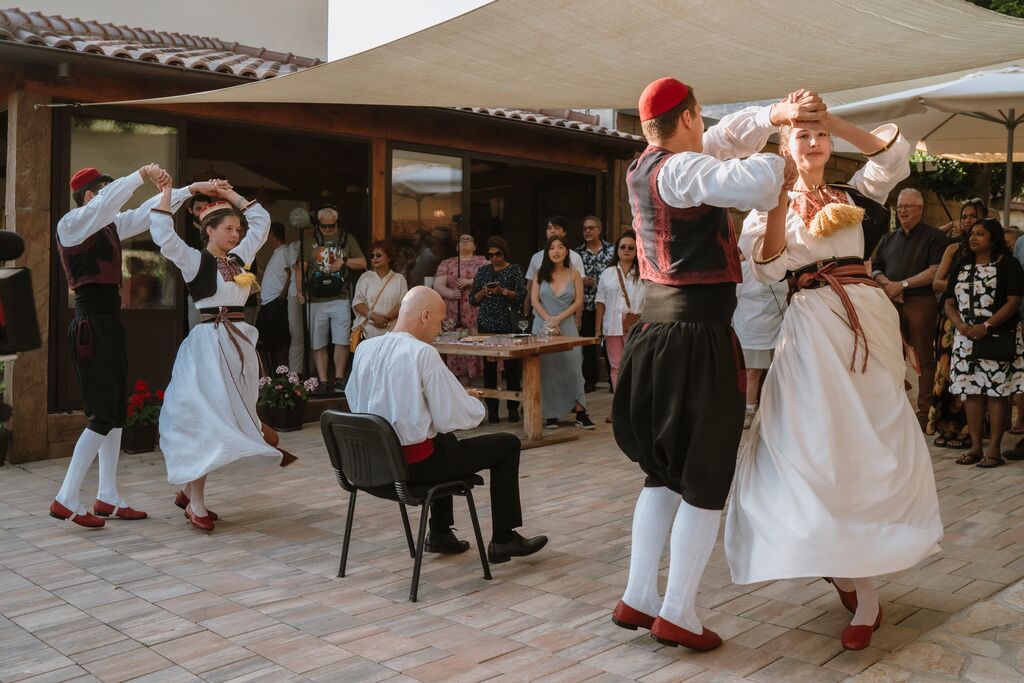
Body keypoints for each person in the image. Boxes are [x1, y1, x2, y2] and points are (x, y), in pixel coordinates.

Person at [611, 77, 820, 652]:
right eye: (702, 120)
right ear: (689, 116)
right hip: (695, 337)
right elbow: (752, 180)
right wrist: (785, 148)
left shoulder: (647, 165)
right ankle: (677, 611)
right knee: (705, 476)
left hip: (657, 333)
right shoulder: (680, 171)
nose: (708, 129)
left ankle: (639, 596)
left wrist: (777, 112)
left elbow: (726, 141)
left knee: (666, 473)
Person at [726, 105, 943, 653]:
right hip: (811, 326)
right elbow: (770, 267)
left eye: (821, 134)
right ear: (784, 146)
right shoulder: (766, 204)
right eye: (804, 134)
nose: (816, 141)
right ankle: (848, 572)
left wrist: (833, 118)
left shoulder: (854, 193)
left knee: (867, 446)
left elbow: (896, 156)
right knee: (816, 447)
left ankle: (860, 581)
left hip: (865, 321)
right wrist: (778, 199)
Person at [50, 165, 209, 527]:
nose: (109, 198)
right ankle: (65, 497)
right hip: (91, 324)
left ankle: (107, 495)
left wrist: (188, 189)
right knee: (102, 415)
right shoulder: (71, 224)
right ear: (90, 195)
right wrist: (139, 174)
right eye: (103, 191)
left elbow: (143, 213)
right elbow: (112, 202)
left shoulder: (107, 225)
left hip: (108, 322)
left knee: (115, 412)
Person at [346, 286, 548, 563]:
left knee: (441, 439)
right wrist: (471, 400)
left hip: (369, 466)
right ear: (425, 316)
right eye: (440, 321)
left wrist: (431, 406)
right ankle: (504, 538)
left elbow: (357, 401)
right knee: (508, 444)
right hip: (412, 469)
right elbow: (456, 417)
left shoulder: (365, 349)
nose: (440, 329)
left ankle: (440, 533)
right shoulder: (422, 353)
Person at [150, 177, 295, 532]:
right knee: (206, 419)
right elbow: (164, 236)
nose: (236, 234)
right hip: (206, 349)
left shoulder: (237, 259)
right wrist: (168, 195)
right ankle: (195, 501)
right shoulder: (193, 260)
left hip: (236, 348)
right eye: (229, 228)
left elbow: (259, 225)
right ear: (210, 230)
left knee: (223, 417)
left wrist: (232, 195)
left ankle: (188, 490)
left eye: (237, 229)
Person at [945, 219, 1024, 468]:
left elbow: (1013, 301)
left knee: (997, 394)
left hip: (997, 335)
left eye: (981, 234)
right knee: (972, 392)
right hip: (965, 336)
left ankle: (994, 450)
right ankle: (976, 448)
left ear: (994, 238)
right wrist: (959, 324)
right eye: (972, 233)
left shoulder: (1008, 265)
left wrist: (986, 326)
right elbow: (948, 300)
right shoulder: (962, 265)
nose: (973, 238)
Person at [871, 188, 947, 425]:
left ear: (920, 209)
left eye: (908, 206)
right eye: (900, 206)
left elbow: (935, 270)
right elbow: (875, 268)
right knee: (888, 354)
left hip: (921, 302)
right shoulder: (888, 239)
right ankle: (894, 408)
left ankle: (925, 412)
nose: (902, 210)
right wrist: (889, 286)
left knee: (924, 357)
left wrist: (902, 285)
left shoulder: (934, 237)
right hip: (891, 302)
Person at [929, 199, 988, 447]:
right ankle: (947, 426)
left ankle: (969, 428)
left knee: (972, 373)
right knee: (946, 371)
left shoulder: (987, 251)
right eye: (963, 216)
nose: (967, 220)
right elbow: (937, 283)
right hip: (948, 321)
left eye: (972, 216)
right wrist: (963, 285)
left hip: (977, 318)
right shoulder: (952, 249)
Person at [295, 206, 366, 393]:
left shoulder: (347, 238)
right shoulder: (310, 239)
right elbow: (300, 267)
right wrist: (300, 290)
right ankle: (323, 379)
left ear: (337, 223)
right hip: (316, 298)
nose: (327, 230)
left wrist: (344, 261)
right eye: (323, 226)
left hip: (340, 297)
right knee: (317, 341)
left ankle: (340, 377)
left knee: (342, 339)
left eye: (331, 226)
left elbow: (362, 262)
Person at [532, 237, 594, 430]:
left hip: (566, 325)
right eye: (552, 248)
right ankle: (551, 414)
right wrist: (550, 320)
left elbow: (578, 302)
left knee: (574, 365)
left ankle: (580, 411)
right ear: (547, 252)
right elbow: (534, 301)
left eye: (560, 247)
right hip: (542, 325)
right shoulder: (540, 273)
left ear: (567, 252)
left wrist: (558, 319)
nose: (556, 251)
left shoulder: (574, 273)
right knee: (548, 369)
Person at [471, 236, 528, 423]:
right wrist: (484, 292)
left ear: (504, 252)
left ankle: (513, 408)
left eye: (498, 254)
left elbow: (521, 296)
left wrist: (502, 291)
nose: (494, 258)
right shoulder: (482, 271)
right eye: (490, 255)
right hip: (487, 323)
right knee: (489, 368)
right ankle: (492, 410)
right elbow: (473, 299)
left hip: (508, 324)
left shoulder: (514, 270)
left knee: (512, 368)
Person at [732, 257, 788, 428]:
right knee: (752, 372)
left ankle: (773, 410)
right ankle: (749, 410)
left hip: (778, 329)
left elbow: (784, 296)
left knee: (777, 372)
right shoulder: (743, 270)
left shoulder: (781, 271)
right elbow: (733, 299)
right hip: (751, 331)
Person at [595, 230, 646, 394]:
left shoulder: (644, 275)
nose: (626, 250)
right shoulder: (607, 274)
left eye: (631, 248)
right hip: (612, 325)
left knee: (634, 365)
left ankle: (632, 404)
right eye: (623, 247)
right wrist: (597, 330)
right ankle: (618, 405)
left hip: (635, 325)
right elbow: (600, 303)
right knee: (616, 366)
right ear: (617, 250)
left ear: (637, 250)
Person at [433, 233, 488, 380]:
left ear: (475, 246)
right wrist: (450, 293)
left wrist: (470, 282)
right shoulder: (448, 263)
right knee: (456, 341)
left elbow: (491, 280)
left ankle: (478, 379)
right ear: (457, 247)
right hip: (454, 311)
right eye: (461, 240)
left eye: (468, 239)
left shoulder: (482, 261)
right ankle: (457, 379)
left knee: (476, 340)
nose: (464, 242)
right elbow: (437, 284)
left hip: (476, 310)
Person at [575, 216, 616, 392]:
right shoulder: (577, 254)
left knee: (610, 341)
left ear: (599, 230)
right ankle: (589, 381)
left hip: (609, 305)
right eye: (585, 228)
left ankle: (613, 380)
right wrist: (581, 281)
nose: (588, 231)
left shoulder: (612, 250)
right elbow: (570, 276)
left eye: (591, 228)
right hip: (586, 305)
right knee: (588, 344)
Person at [524, 216, 585, 318]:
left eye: (556, 228)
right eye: (549, 228)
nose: (552, 231)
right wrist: (526, 314)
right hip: (540, 316)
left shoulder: (575, 258)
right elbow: (529, 288)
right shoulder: (536, 258)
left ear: (564, 232)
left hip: (568, 315)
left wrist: (578, 318)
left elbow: (579, 294)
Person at [254, 222, 293, 368]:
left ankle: (279, 374)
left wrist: (282, 295)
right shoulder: (277, 253)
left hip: (275, 301)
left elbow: (290, 274)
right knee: (263, 342)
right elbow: (275, 275)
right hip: (268, 303)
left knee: (277, 342)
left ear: (272, 235)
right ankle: (269, 375)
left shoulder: (284, 251)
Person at [352, 240, 408, 340]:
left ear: (389, 257)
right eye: (372, 256)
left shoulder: (399, 279)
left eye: (378, 255)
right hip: (367, 333)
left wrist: (386, 318)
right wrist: (373, 316)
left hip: (392, 334)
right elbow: (357, 303)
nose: (375, 258)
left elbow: (403, 304)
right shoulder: (365, 277)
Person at [185, 194, 214, 330]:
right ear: (190, 210)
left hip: (218, 293)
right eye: (198, 209)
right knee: (195, 332)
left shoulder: (219, 232)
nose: (202, 212)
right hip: (193, 291)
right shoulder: (183, 231)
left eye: (206, 208)